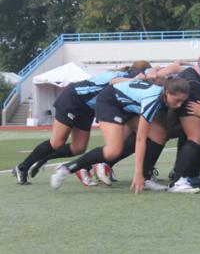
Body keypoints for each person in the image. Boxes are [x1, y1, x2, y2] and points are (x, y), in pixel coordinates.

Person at [12, 61, 151, 186]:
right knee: (57, 142)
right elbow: (114, 82)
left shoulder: (130, 80)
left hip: (87, 108)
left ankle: (43, 159)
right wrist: (134, 79)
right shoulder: (120, 75)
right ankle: (23, 167)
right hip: (72, 99)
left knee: (79, 148)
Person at [50, 77, 190, 193]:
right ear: (166, 92)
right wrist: (137, 174)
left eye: (183, 101)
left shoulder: (164, 97)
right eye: (177, 100)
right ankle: (67, 168)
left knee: (160, 134)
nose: (179, 105)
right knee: (113, 151)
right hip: (109, 102)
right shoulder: (152, 100)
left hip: (127, 107)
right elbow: (140, 139)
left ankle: (147, 178)